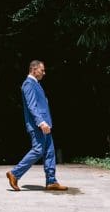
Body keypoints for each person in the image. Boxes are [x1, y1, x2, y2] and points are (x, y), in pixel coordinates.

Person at [6, 60, 68, 192]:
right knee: (38, 150)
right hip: (38, 125)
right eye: (42, 70)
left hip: (46, 125)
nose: (44, 73)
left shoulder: (36, 84)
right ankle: (15, 173)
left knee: (50, 152)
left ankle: (51, 181)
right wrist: (41, 122)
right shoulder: (28, 84)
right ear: (33, 69)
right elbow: (32, 106)